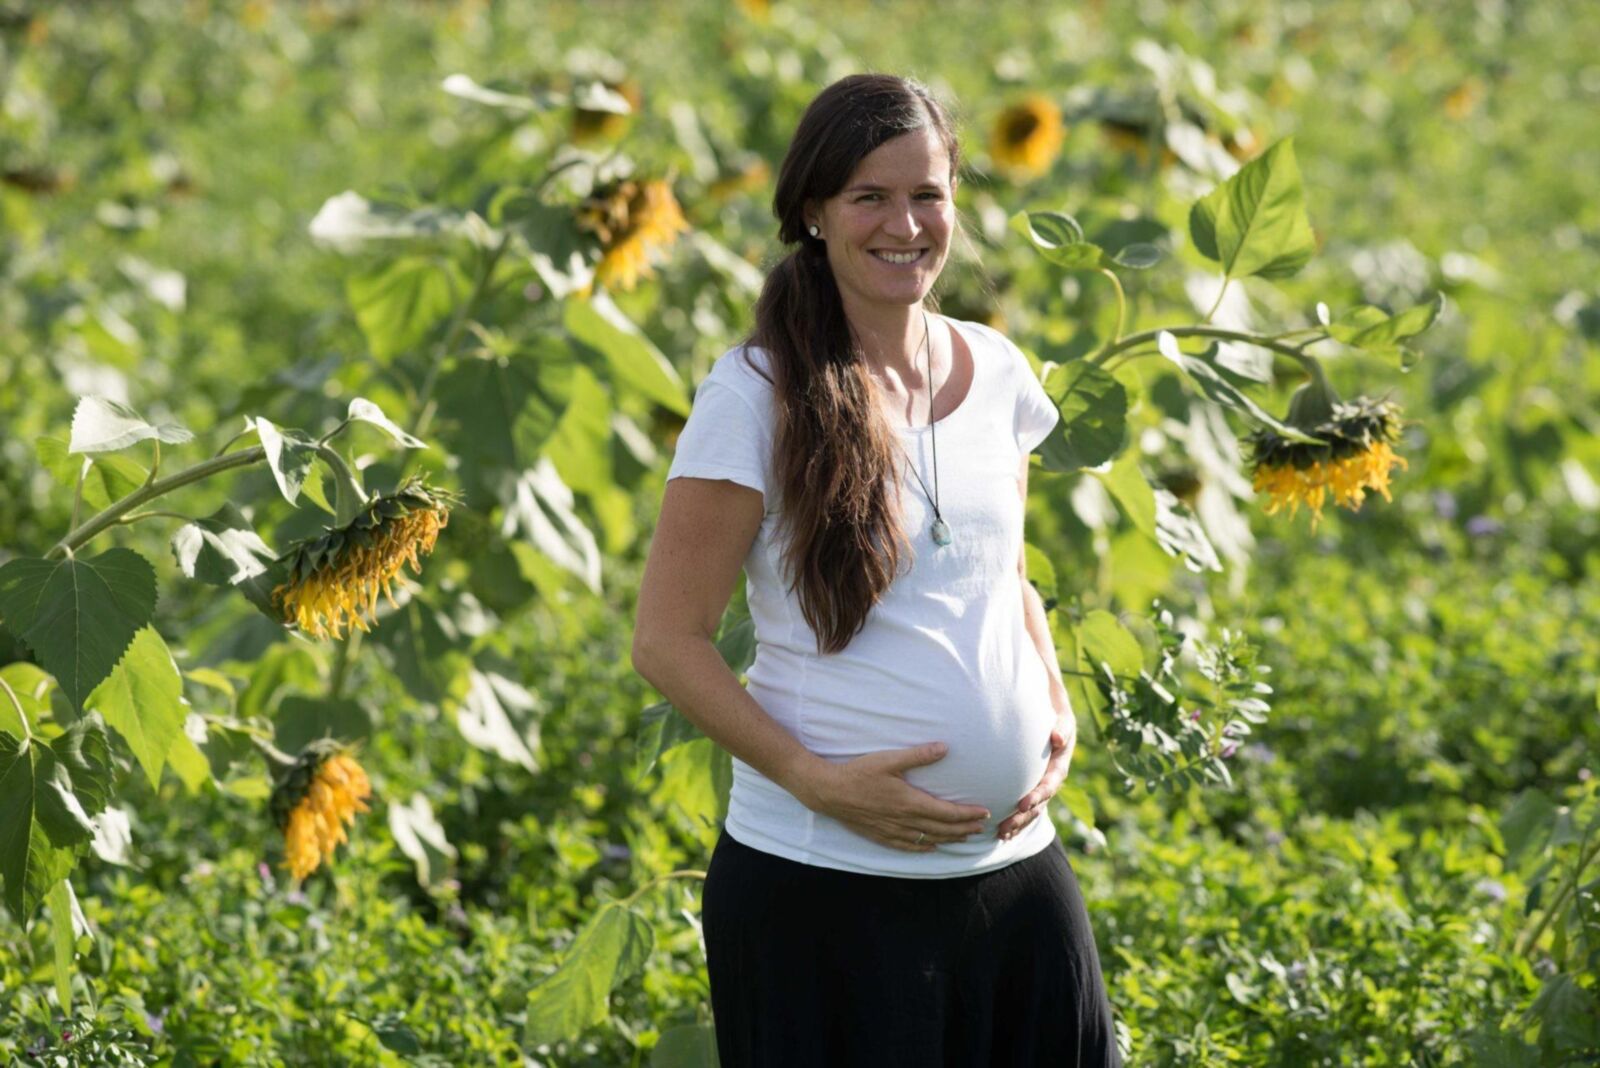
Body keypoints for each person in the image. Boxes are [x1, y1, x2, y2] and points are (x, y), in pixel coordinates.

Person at [632, 72, 1121, 1067]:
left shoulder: (999, 374)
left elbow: (1002, 575)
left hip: (1014, 873)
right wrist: (814, 781)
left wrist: (1052, 706)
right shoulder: (755, 396)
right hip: (823, 890)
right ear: (814, 213)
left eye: (927, 194)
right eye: (869, 197)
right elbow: (666, 642)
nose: (905, 224)